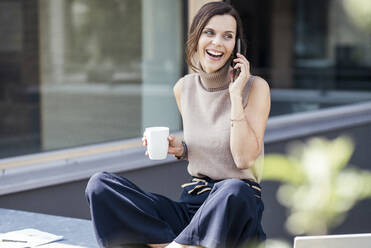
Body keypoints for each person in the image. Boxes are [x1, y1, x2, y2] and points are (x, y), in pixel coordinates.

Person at [85, 2, 271, 248]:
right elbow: (211, 144)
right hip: (192, 206)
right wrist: (183, 149)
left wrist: (235, 95)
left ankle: (175, 245)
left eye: (228, 36)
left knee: (234, 190)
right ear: (196, 37)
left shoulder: (255, 88)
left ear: (236, 46)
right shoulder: (184, 88)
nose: (217, 42)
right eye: (209, 33)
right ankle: (183, 243)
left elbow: (243, 159)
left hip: (234, 210)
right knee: (101, 186)